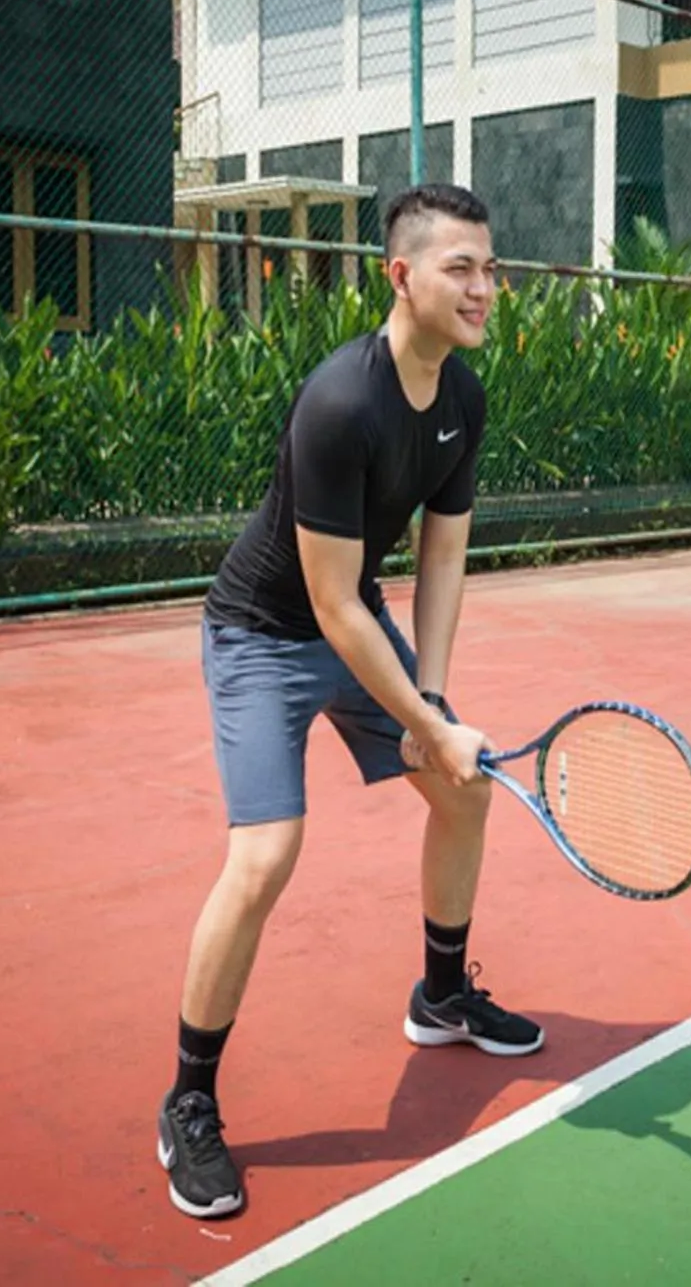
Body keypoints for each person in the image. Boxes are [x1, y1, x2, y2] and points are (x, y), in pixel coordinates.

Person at [157, 182, 543, 1221]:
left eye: (489, 268)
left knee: (465, 791)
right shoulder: (339, 402)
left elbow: (443, 558)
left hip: (353, 626)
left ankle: (441, 995)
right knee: (265, 855)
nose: (482, 288)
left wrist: (433, 701)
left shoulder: (461, 399)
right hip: (262, 636)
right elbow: (328, 604)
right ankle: (188, 1101)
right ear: (400, 276)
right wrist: (424, 725)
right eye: (460, 268)